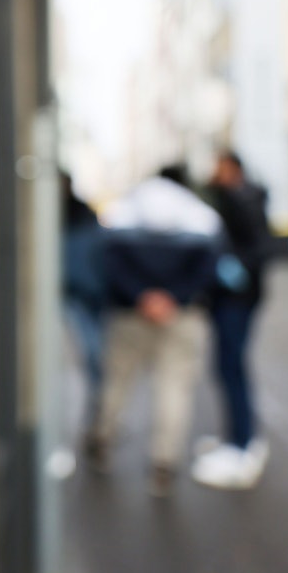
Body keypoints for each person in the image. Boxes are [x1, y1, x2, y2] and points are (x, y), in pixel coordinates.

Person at [87, 165, 222, 497]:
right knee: (174, 389)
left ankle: (102, 442)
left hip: (130, 314)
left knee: (118, 381)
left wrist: (141, 297)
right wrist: (174, 297)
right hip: (181, 316)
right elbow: (209, 267)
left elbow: (108, 262)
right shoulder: (198, 214)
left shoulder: (125, 209)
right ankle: (164, 463)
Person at [192, 151, 273, 489]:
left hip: (237, 299)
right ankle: (238, 438)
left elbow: (259, 248)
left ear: (235, 169)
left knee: (231, 366)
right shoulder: (232, 196)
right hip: (232, 298)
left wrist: (231, 267)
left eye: (221, 167)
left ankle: (242, 446)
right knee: (227, 367)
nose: (216, 172)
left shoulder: (243, 199)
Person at [62, 174, 108, 428]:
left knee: (92, 354)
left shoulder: (84, 217)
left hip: (87, 293)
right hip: (70, 292)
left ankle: (97, 412)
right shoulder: (69, 217)